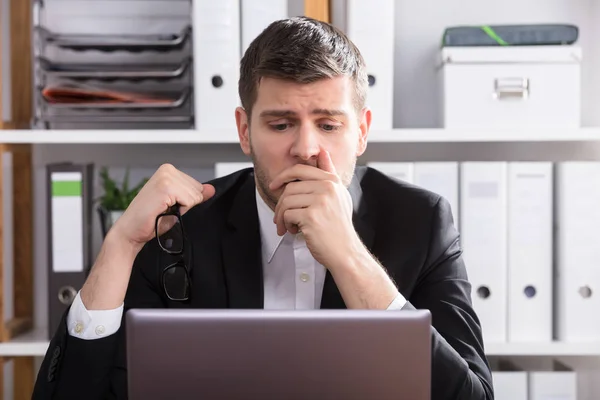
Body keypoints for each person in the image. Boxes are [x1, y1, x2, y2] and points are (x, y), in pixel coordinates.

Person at [33, 16, 493, 400]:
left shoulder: (422, 221)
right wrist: (118, 246)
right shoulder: (180, 227)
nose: (306, 148)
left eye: (329, 124)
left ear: (362, 132)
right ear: (245, 130)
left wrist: (349, 258)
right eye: (280, 123)